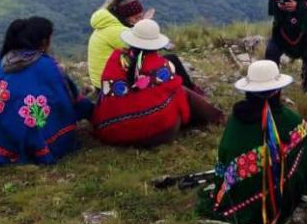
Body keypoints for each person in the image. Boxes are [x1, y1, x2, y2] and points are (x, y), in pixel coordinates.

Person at [196, 60, 307, 224]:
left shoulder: (236, 120)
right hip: (278, 206)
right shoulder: (295, 124)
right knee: (305, 135)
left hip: (235, 197)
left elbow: (225, 156)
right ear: (278, 90)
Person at [0, 17, 94, 166]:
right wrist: (91, 111)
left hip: (1, 138)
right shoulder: (47, 65)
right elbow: (66, 97)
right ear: (44, 41)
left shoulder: (5, 61)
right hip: (37, 138)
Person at [91, 20, 225, 146]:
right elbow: (177, 94)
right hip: (158, 134)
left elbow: (106, 94)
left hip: (114, 133)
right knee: (181, 91)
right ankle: (217, 118)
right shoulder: (162, 67)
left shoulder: (115, 60)